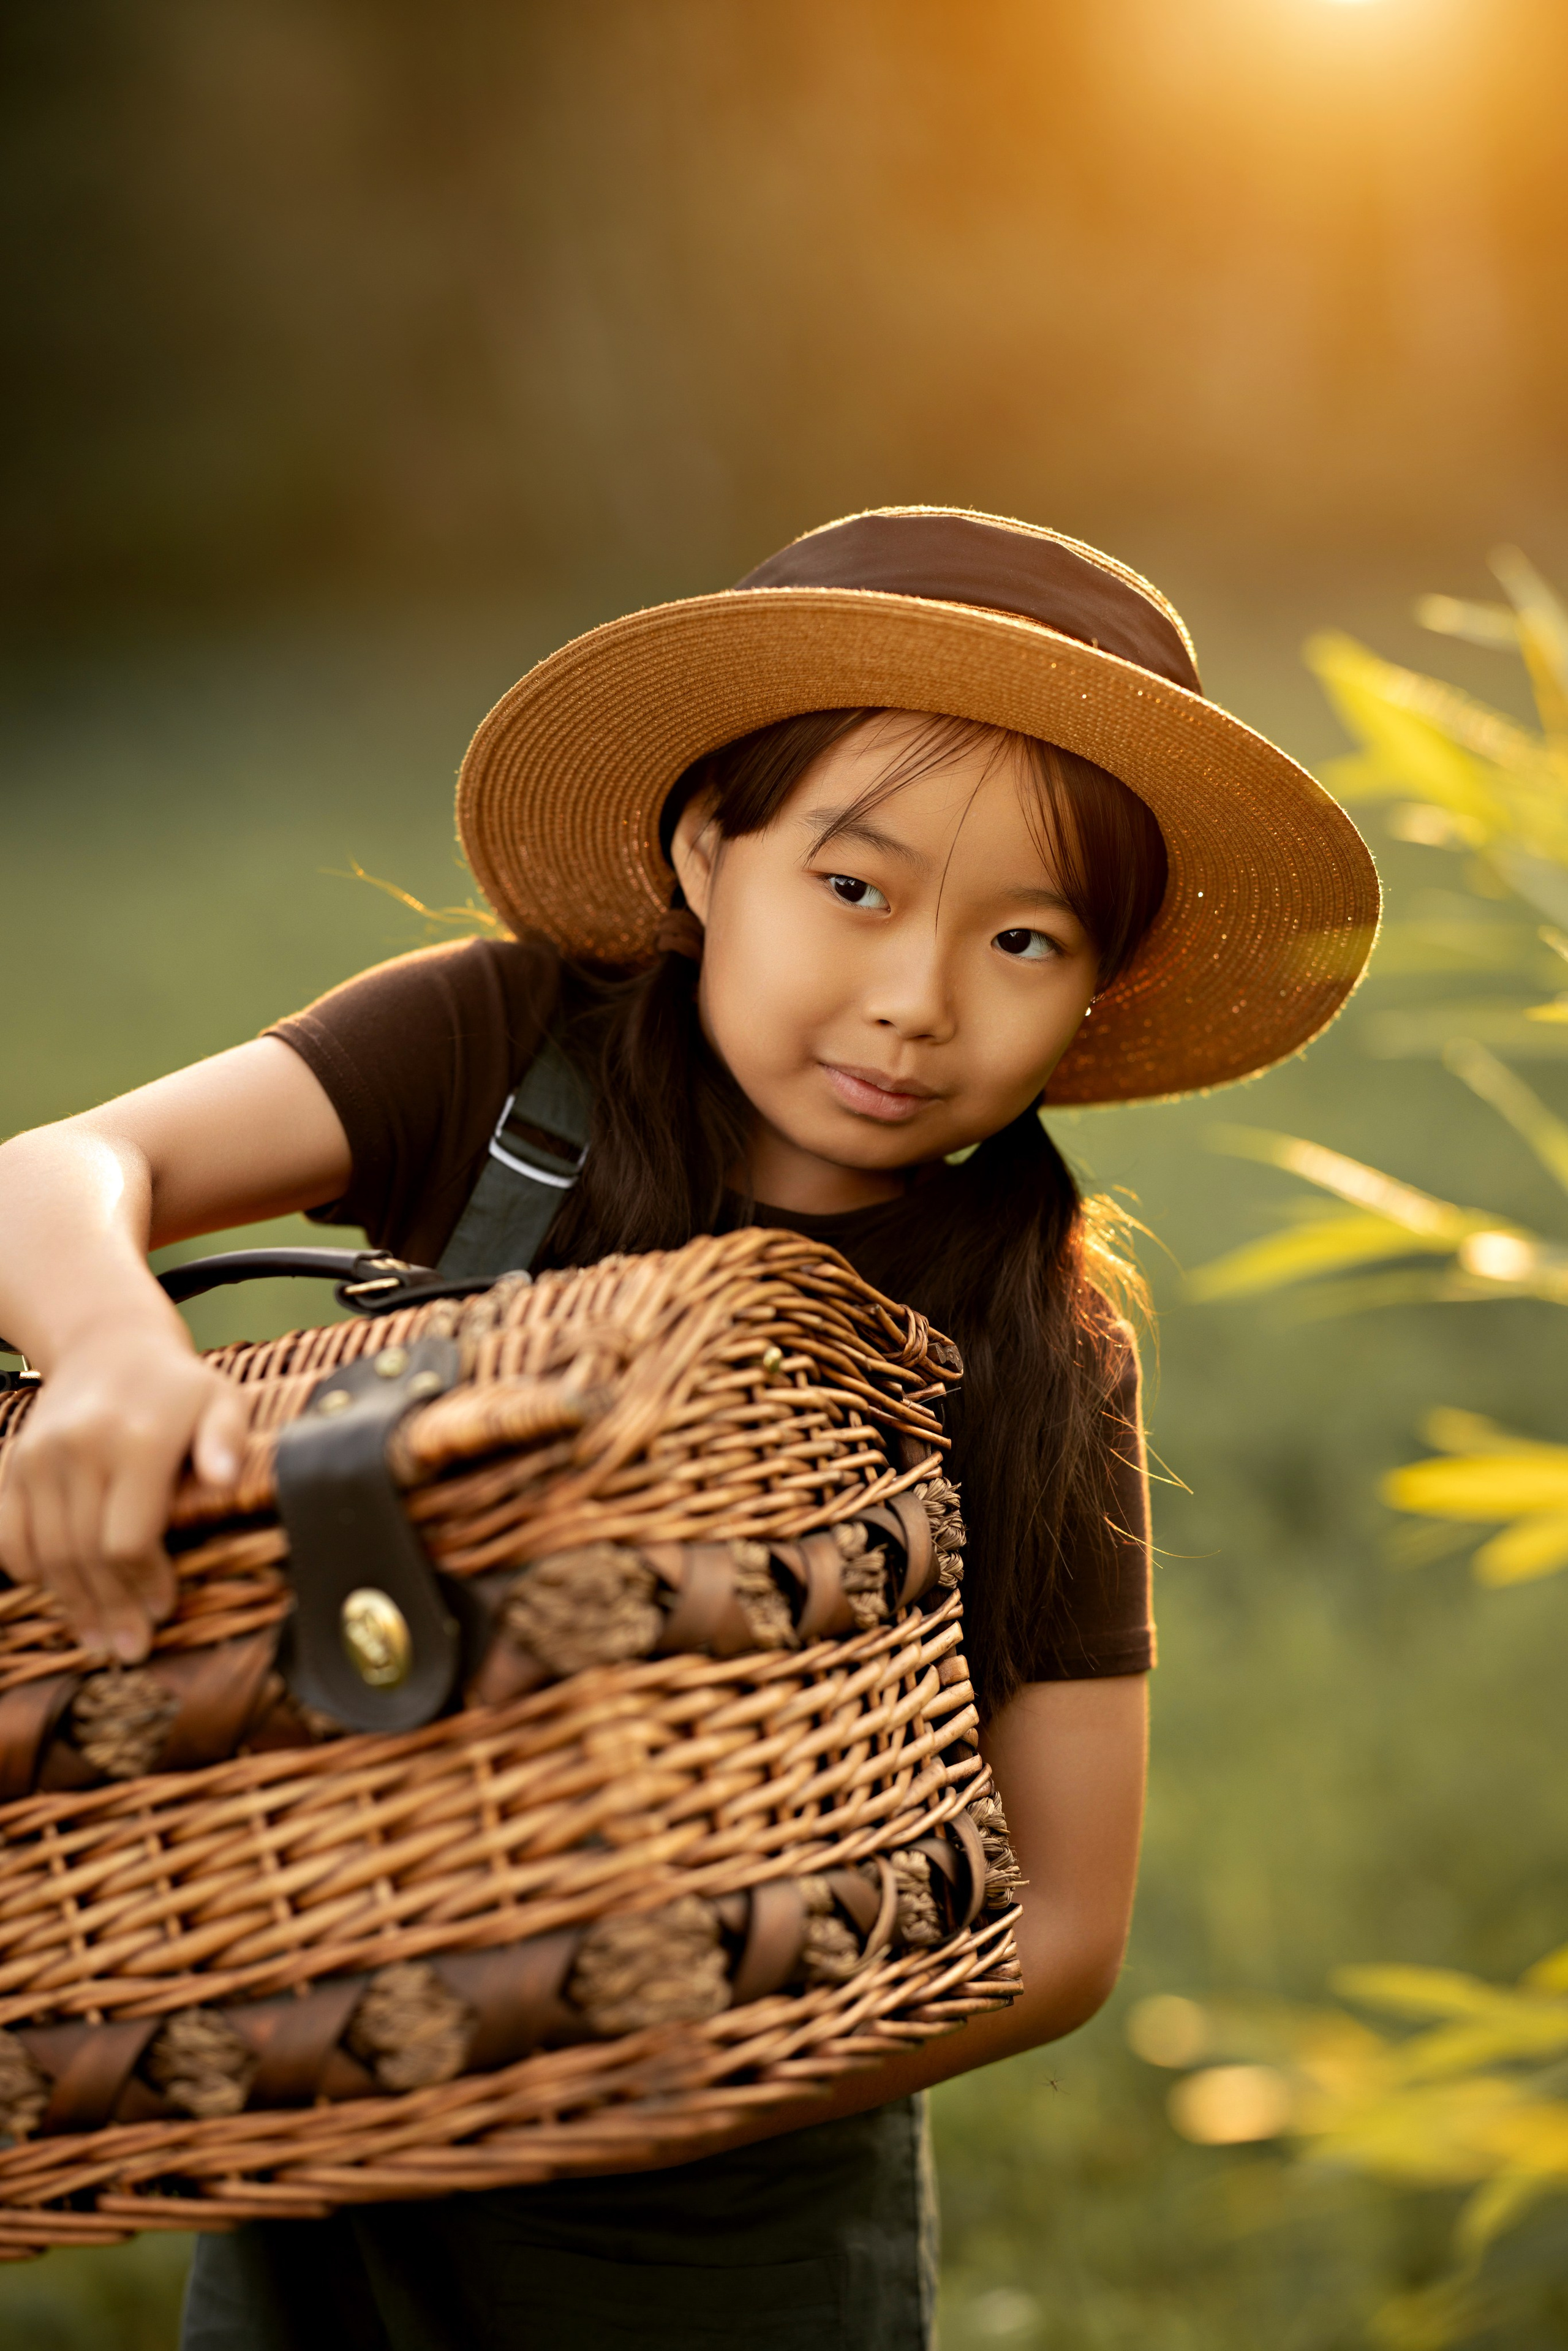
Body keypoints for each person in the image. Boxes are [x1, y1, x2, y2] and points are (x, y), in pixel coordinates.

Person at [0, 507, 1378, 2349]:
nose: (916, 998)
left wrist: (659, 2045)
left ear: (1095, 988)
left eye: (1026, 938)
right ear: (707, 850)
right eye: (857, 888)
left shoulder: (1032, 1341)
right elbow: (67, 1172)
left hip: (730, 2210)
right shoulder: (503, 1053)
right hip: (326, 2094)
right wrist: (106, 1346)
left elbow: (1063, 1924)